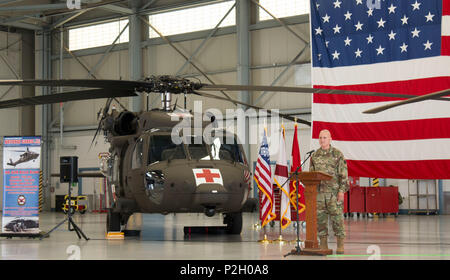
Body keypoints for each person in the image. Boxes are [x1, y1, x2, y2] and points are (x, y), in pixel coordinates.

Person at [309, 129, 349, 254]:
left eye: (324, 137)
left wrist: (342, 191)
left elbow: (344, 175)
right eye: (320, 138)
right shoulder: (314, 156)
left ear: (330, 139)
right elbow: (311, 175)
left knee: (337, 219)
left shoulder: (337, 154)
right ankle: (324, 245)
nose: (322, 140)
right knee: (320, 221)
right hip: (320, 194)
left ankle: (340, 245)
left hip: (333, 194)